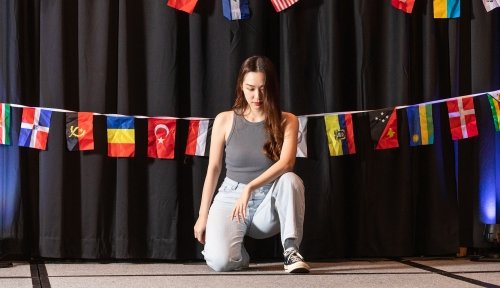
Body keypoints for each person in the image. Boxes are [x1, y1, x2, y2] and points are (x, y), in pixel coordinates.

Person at [193, 56, 310, 273]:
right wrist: (202, 216)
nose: (257, 96)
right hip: (231, 197)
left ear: (272, 88)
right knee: (220, 262)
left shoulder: (288, 120)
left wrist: (250, 187)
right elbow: (214, 169)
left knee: (291, 180)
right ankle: (236, 251)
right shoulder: (224, 120)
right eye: (251, 88)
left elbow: (287, 164)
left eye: (263, 89)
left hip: (269, 200)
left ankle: (291, 251)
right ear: (241, 86)